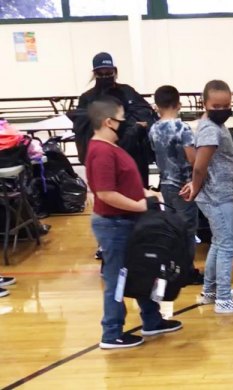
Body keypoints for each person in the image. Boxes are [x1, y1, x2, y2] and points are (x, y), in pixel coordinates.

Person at [86, 97, 181, 350]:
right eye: (121, 118)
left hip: (128, 221)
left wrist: (145, 193)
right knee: (117, 278)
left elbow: (123, 184)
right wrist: (140, 205)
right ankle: (111, 332)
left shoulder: (112, 147)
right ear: (108, 122)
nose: (126, 122)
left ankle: (152, 320)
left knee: (142, 271)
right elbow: (106, 193)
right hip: (115, 224)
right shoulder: (101, 151)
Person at [71, 52, 157, 261]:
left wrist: (130, 129)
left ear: (115, 71)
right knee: (108, 200)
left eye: (108, 72)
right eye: (100, 73)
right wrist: (127, 126)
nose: (105, 76)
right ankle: (107, 244)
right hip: (105, 160)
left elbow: (144, 116)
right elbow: (84, 127)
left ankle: (138, 240)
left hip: (133, 160)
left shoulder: (128, 92)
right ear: (94, 74)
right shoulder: (87, 99)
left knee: (136, 197)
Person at [180, 80, 233, 314]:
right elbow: (199, 166)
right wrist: (195, 185)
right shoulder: (211, 128)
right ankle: (224, 299)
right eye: (217, 105)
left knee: (219, 243)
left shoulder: (209, 124)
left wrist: (196, 185)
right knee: (228, 245)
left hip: (216, 194)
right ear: (205, 104)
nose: (222, 110)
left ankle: (211, 292)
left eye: (226, 105)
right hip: (217, 196)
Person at [148, 85, 203, 286]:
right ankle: (186, 272)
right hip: (183, 185)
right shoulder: (182, 128)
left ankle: (173, 267)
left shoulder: (154, 128)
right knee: (187, 230)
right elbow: (192, 158)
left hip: (165, 184)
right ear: (178, 104)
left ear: (157, 105)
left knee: (173, 229)